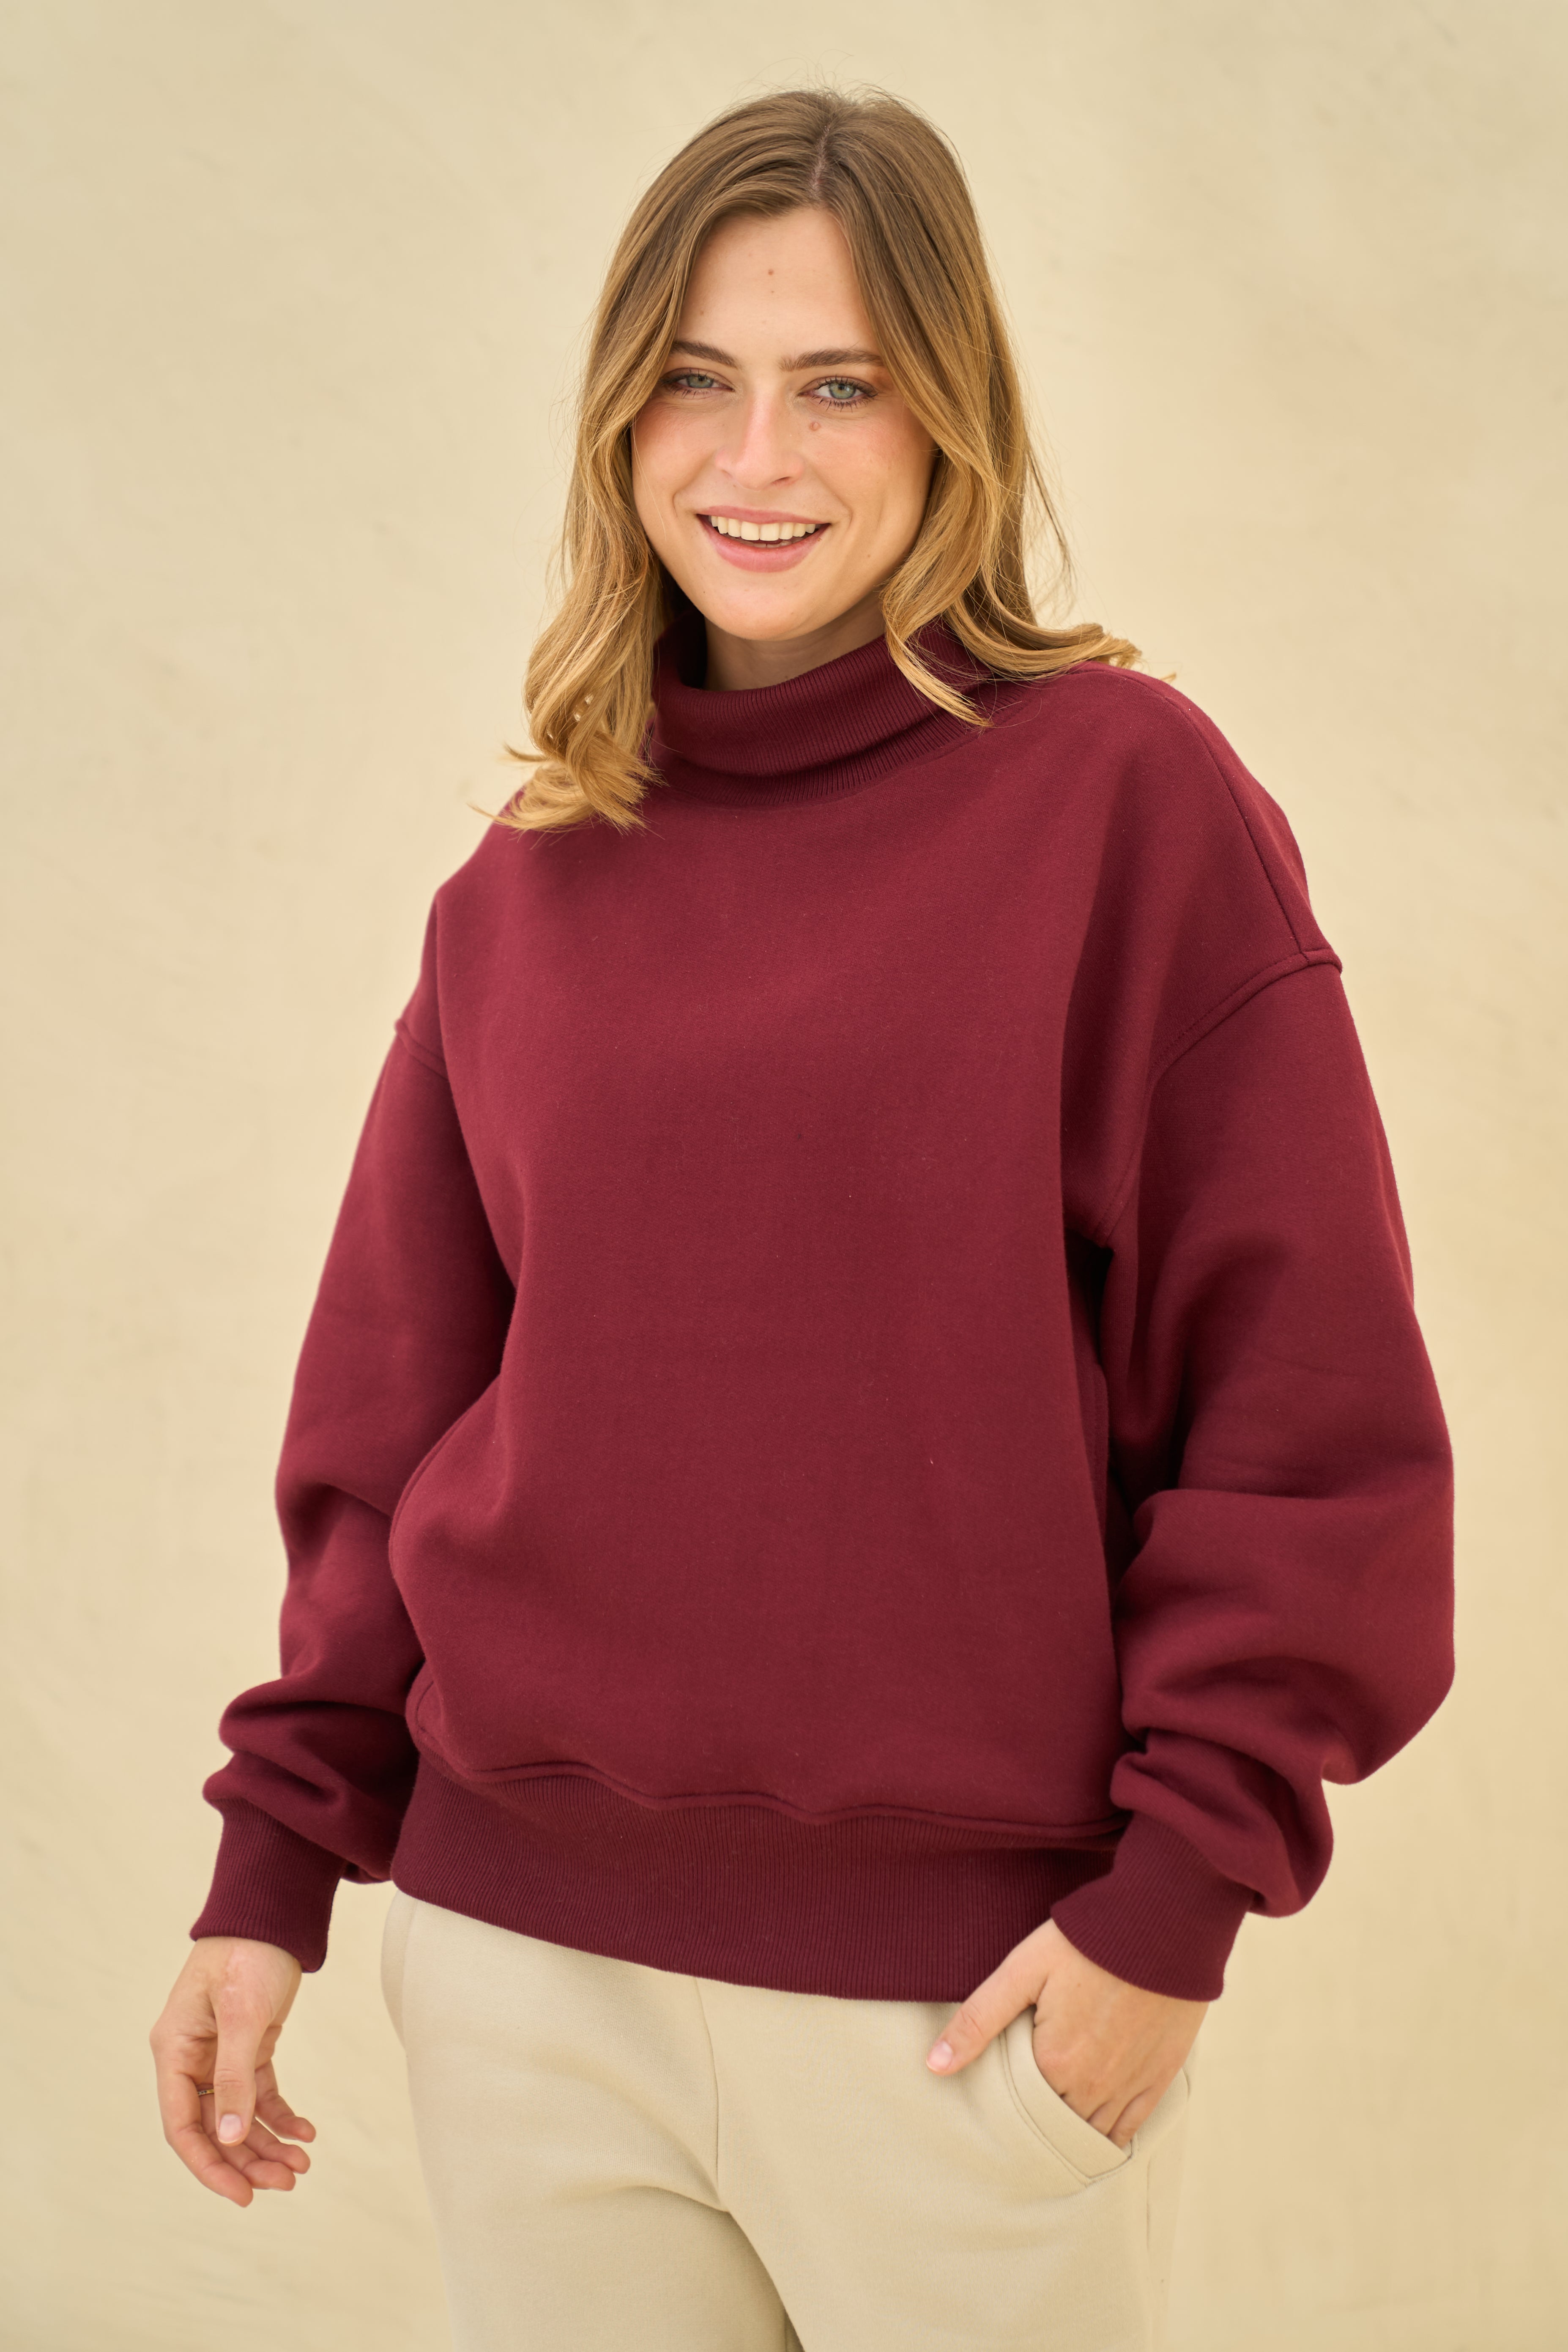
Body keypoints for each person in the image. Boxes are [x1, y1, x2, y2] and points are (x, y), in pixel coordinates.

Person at [150, 86, 1454, 2352]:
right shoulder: (527, 883)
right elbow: (390, 1413)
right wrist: (273, 1870)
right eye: (698, 378)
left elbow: (1305, 1404)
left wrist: (1176, 1902)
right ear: (616, 416)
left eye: (839, 383)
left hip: (967, 2014)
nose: (757, 456)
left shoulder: (1125, 805)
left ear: (951, 416)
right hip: (524, 1982)